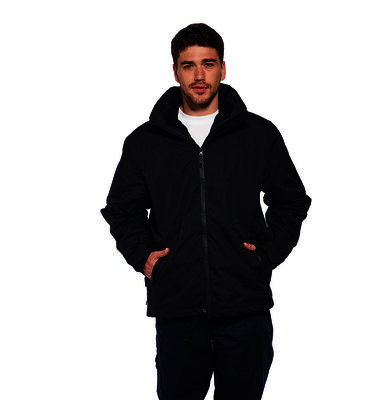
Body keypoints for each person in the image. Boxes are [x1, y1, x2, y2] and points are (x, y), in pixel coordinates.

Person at [100, 22, 312, 400]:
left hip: (244, 307)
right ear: (175, 71)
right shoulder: (145, 142)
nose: (199, 75)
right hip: (177, 309)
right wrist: (143, 257)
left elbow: (291, 200)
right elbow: (121, 209)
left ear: (223, 69)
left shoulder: (258, 134)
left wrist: (266, 255)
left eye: (208, 64)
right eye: (189, 65)